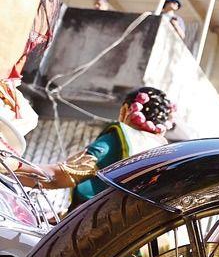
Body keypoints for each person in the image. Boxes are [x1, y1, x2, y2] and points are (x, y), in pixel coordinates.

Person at [11, 86, 174, 208]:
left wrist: (8, 168)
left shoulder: (122, 137)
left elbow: (59, 175)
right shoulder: (166, 152)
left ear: (126, 110)